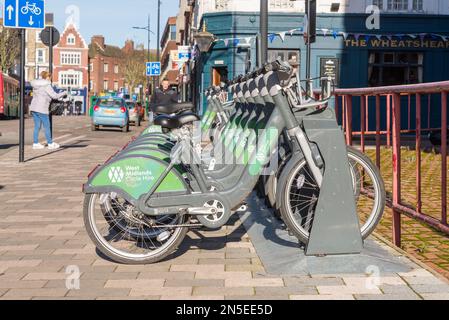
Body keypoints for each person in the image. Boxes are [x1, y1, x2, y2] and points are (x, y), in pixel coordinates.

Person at [29, 71, 67, 150]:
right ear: (47, 77)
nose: (51, 79)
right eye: (50, 77)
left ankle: (35, 143)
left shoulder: (36, 85)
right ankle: (50, 143)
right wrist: (64, 92)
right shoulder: (47, 85)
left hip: (34, 107)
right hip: (42, 108)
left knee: (37, 126)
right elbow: (55, 96)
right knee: (47, 126)